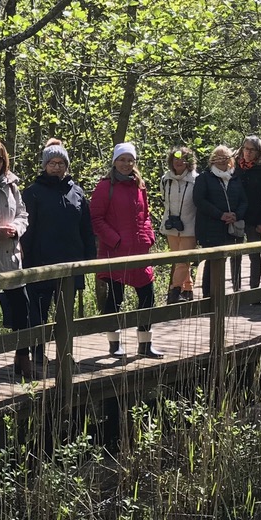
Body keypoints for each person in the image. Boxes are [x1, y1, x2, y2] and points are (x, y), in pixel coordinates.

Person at [21, 138, 96, 368]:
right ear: (44, 165)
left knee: (65, 313)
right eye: (52, 163)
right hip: (42, 262)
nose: (57, 167)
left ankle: (65, 352)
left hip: (71, 263)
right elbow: (27, 229)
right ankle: (38, 353)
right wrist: (27, 261)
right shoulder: (33, 193)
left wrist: (89, 258)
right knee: (39, 313)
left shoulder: (77, 192)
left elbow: (86, 228)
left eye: (61, 163)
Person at [90, 142, 163, 358]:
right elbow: (96, 219)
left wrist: (148, 236)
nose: (126, 164)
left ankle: (145, 344)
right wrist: (115, 240)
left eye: (130, 159)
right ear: (114, 161)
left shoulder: (139, 186)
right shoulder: (105, 187)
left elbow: (146, 215)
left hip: (140, 251)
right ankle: (114, 345)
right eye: (122, 159)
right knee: (115, 298)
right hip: (116, 251)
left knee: (148, 297)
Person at [0, 138, 35, 379]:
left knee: (22, 309)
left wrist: (16, 228)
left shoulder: (13, 185)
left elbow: (23, 213)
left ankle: (22, 357)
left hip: (12, 256)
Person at [193, 145, 248, 300]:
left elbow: (244, 201)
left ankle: (234, 295)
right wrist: (220, 215)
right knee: (212, 262)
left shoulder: (235, 177)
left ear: (230, 159)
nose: (222, 160)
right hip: (211, 228)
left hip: (232, 227)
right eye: (218, 157)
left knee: (233, 259)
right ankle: (208, 296)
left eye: (225, 157)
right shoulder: (204, 178)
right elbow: (199, 200)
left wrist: (236, 215)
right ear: (212, 159)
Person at [233, 136, 261, 295]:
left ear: (259, 152)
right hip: (236, 217)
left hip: (255, 218)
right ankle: (236, 292)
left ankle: (254, 292)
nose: (248, 152)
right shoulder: (235, 168)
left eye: (252, 150)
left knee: (254, 255)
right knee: (235, 254)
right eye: (246, 148)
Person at [159, 146, 198, 303]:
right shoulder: (165, 180)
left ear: (189, 162)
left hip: (190, 226)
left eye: (182, 159)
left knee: (182, 260)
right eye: (175, 159)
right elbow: (164, 200)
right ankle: (188, 289)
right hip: (171, 226)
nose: (178, 161)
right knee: (179, 260)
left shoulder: (196, 180)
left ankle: (173, 292)